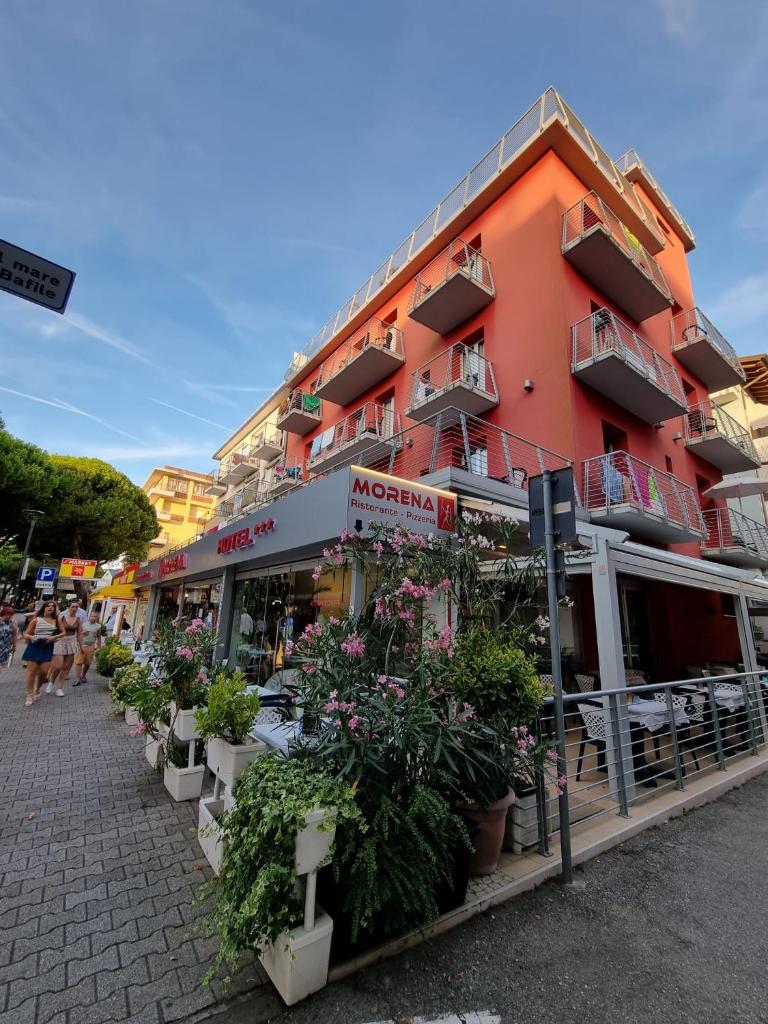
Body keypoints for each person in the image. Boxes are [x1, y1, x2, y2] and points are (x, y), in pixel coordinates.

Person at [22, 601, 62, 706]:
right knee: (32, 672)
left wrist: (55, 637)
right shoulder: (36, 620)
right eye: (48, 606)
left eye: (53, 606)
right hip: (34, 646)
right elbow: (25, 633)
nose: (50, 608)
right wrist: (31, 637)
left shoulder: (56, 621)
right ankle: (29, 695)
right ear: (43, 608)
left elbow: (63, 632)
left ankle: (38, 688)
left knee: (44, 672)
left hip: (47, 647)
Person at [48, 602, 83, 696]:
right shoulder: (62, 617)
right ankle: (51, 682)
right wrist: (53, 639)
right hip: (60, 641)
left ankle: (60, 688)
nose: (74, 608)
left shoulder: (79, 620)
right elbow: (55, 630)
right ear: (68, 607)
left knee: (66, 667)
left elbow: (79, 633)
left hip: (71, 642)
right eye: (72, 606)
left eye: (76, 607)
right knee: (58, 666)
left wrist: (81, 646)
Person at [73, 610, 102, 685]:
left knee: (87, 663)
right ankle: (77, 679)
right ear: (89, 616)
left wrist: (99, 647)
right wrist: (83, 633)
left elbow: (99, 637)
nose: (93, 618)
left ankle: (83, 675)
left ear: (97, 617)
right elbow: (77, 635)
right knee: (78, 662)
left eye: (95, 616)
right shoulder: (83, 624)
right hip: (81, 645)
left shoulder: (98, 626)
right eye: (92, 616)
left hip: (90, 646)